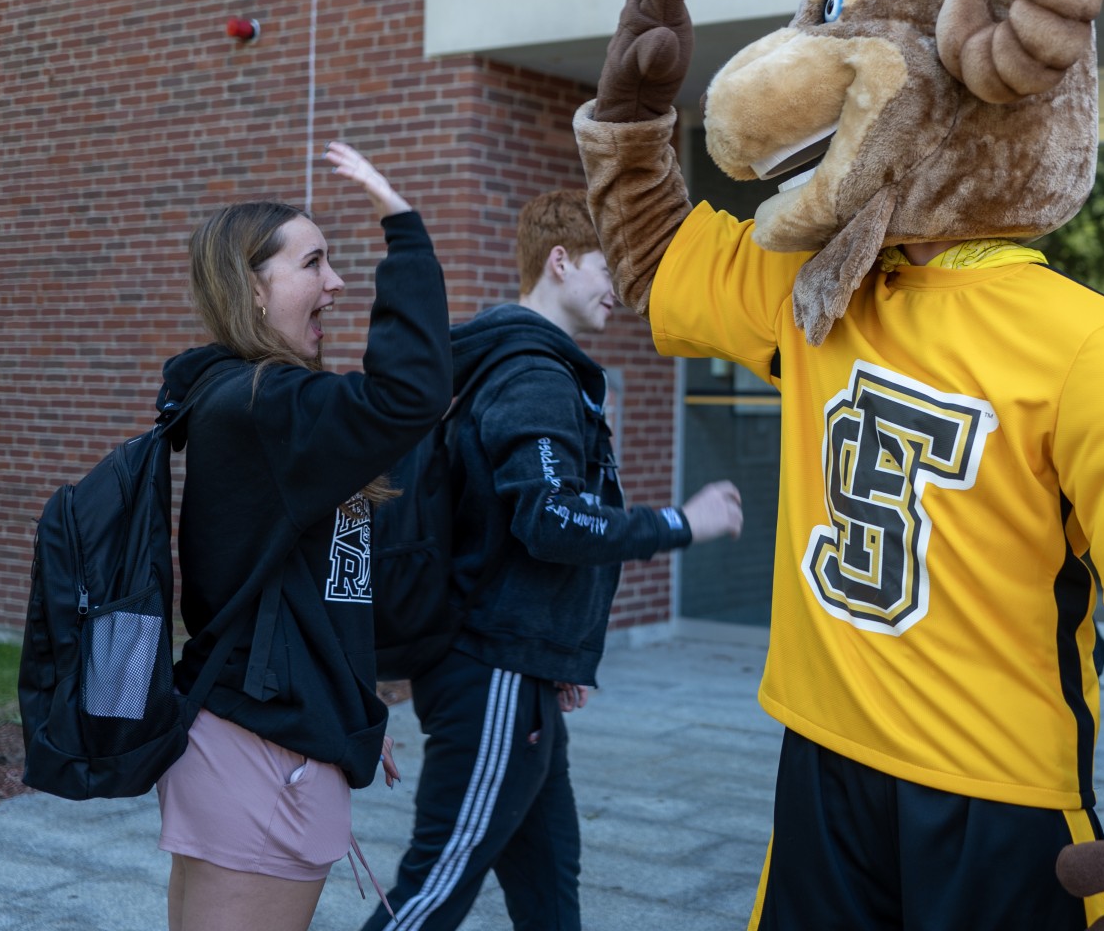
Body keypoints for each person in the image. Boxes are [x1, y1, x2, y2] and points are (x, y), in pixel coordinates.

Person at [572, 0, 1104, 930]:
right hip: (823, 763)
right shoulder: (818, 292)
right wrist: (632, 126)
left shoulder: (1082, 340)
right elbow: (657, 260)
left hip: (997, 797)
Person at [361, 188, 743, 931]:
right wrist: (680, 522)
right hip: (492, 675)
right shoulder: (533, 373)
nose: (621, 291)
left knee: (548, 885)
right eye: (609, 269)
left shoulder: (519, 365)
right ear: (559, 262)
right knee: (435, 887)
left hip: (518, 669)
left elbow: (512, 529)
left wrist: (556, 649)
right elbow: (552, 518)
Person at [154, 141, 452, 931]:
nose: (338, 282)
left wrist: (351, 707)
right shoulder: (262, 406)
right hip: (264, 751)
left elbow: (322, 585)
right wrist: (404, 226)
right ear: (253, 291)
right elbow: (410, 393)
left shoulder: (276, 411)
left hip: (283, 737)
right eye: (315, 263)